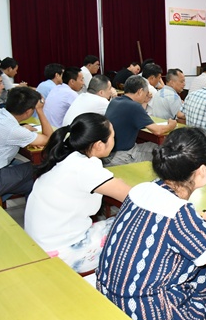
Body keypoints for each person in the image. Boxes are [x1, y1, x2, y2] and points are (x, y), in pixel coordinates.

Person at [97, 127, 206, 320]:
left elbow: (161, 219)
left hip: (111, 294)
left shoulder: (142, 189)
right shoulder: (180, 215)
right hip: (147, 314)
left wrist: (202, 217)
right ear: (202, 171)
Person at [24, 113, 130, 272]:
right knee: (134, 228)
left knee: (115, 222)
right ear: (99, 145)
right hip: (62, 253)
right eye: (113, 137)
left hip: (40, 242)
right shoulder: (86, 168)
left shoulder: (66, 156)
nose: (114, 140)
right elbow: (132, 196)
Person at [104, 75, 176, 166]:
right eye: (146, 93)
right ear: (140, 91)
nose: (147, 95)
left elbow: (137, 117)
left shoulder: (115, 101)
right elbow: (158, 130)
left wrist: (144, 101)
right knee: (162, 154)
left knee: (154, 146)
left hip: (110, 154)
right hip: (123, 156)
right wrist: (171, 125)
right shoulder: (133, 106)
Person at [0, 86, 52, 198]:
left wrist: (22, 129)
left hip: (0, 164)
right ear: (28, 111)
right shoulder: (13, 130)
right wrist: (40, 110)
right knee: (42, 166)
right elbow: (49, 138)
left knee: (32, 183)